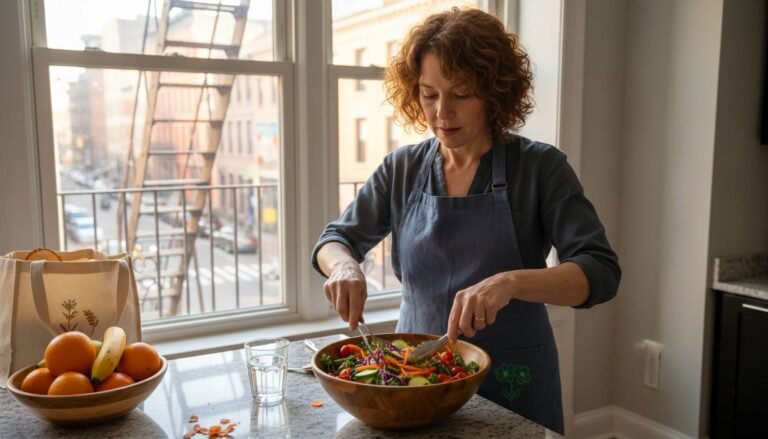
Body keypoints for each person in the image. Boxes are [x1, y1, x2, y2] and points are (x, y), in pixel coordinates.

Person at [311, 7, 620, 434]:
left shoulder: (540, 168)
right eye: (429, 93)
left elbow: (600, 272)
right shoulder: (401, 169)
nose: (442, 112)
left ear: (495, 92)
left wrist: (509, 282)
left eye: (460, 93)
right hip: (412, 383)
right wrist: (344, 265)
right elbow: (335, 239)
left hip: (514, 382)